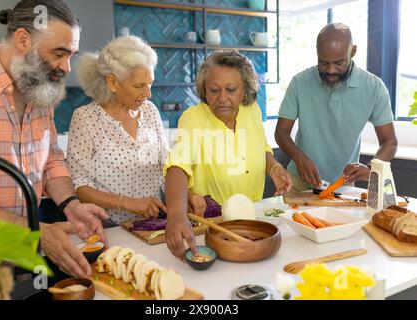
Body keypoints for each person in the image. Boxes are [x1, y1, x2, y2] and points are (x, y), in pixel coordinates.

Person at [0, 0, 108, 279]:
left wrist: (71, 204)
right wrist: (37, 233)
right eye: (59, 53)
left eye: (71, 55)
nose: (67, 67)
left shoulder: (39, 88)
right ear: (22, 39)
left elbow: (51, 158)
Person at [163, 49, 293, 259]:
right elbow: (177, 166)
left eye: (231, 90)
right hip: (213, 229)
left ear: (245, 90)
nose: (222, 98)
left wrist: (274, 167)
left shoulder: (252, 111)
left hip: (254, 225)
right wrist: (176, 214)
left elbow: (262, 149)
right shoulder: (193, 119)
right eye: (214, 90)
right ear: (204, 90)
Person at [275, 23, 398, 191]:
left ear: (353, 52)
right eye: (323, 63)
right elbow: (281, 133)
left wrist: (370, 168)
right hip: (298, 183)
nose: (331, 70)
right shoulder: (300, 82)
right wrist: (299, 158)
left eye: (339, 63)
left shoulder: (374, 87)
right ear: (317, 52)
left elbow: (389, 142)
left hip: (344, 186)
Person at [66, 36, 168, 226]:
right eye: (139, 86)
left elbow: (165, 166)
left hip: (153, 224)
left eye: (150, 83)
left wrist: (185, 194)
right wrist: (129, 204)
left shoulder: (150, 110)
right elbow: (80, 186)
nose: (148, 94)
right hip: (110, 226)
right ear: (112, 82)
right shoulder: (85, 118)